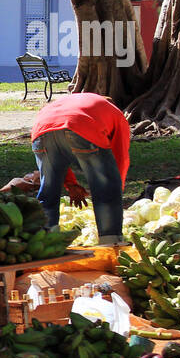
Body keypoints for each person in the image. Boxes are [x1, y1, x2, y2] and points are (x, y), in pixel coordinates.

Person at [30, 92, 131, 246]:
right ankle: (111, 242)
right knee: (105, 188)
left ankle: (44, 241)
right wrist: (117, 188)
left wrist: (71, 185)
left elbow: (59, 155)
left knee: (48, 189)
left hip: (41, 130)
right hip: (81, 125)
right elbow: (121, 155)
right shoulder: (115, 113)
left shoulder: (74, 101)